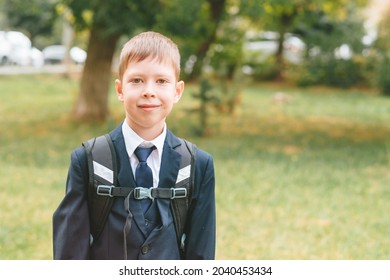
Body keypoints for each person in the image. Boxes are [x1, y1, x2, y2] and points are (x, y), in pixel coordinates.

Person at [52, 31, 216, 260]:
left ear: (177, 91)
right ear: (120, 89)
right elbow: (69, 255)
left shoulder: (198, 165)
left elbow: (202, 255)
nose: (149, 91)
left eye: (161, 81)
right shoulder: (87, 160)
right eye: (137, 80)